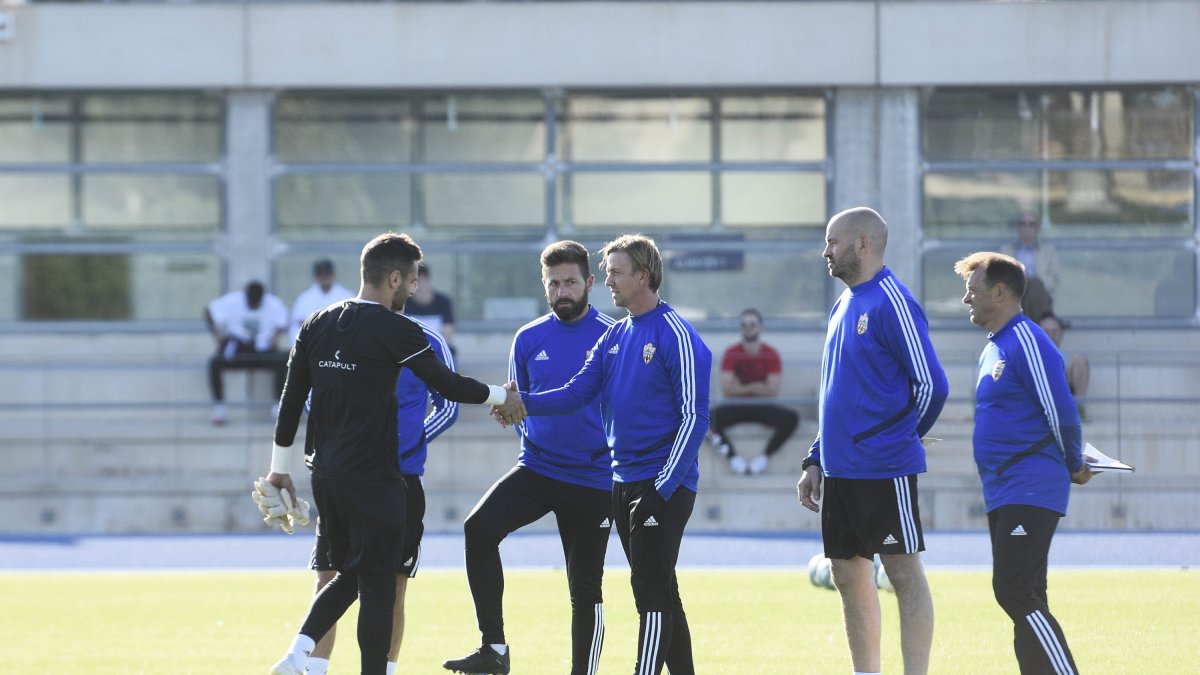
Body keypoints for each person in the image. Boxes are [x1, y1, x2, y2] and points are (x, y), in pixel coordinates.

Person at [261, 232, 526, 675]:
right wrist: (503, 395)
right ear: (395, 278)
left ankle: (296, 656)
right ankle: (324, 662)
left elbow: (290, 403)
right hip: (380, 477)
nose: (415, 289)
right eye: (412, 280)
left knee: (345, 573)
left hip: (325, 475)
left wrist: (277, 471)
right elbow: (448, 386)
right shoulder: (398, 330)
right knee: (379, 584)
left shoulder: (315, 323)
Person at [511, 233, 711, 675]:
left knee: (650, 591)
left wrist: (663, 487)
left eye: (616, 273)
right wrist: (523, 402)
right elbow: (576, 392)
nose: (608, 282)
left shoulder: (676, 333)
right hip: (622, 481)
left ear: (643, 275)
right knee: (664, 590)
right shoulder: (617, 335)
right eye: (607, 274)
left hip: (662, 484)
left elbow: (695, 417)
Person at [444, 241, 616, 675]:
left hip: (594, 478)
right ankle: (494, 650)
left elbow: (606, 404)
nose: (562, 291)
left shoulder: (613, 336)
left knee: (584, 588)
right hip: (537, 467)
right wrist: (512, 414)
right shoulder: (527, 337)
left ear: (589, 283)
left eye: (571, 282)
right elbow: (519, 401)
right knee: (478, 529)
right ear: (545, 286)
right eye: (554, 283)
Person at [796, 207, 948, 675]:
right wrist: (815, 458)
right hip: (840, 471)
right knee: (846, 574)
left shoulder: (892, 301)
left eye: (833, 242)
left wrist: (895, 442)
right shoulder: (843, 304)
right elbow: (836, 395)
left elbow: (931, 385)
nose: (826, 251)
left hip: (884, 470)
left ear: (862, 245)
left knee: (902, 573)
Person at [954, 251, 1092, 675]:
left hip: (1030, 484)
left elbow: (1061, 410)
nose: (966, 299)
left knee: (1012, 589)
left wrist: (1073, 460)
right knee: (1028, 594)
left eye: (972, 290)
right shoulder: (992, 348)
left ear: (999, 291)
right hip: (1003, 489)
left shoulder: (1028, 340)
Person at [306, 317, 459, 675]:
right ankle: (313, 670)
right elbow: (315, 399)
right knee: (328, 575)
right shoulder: (340, 329)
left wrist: (405, 446)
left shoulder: (428, 339)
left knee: (392, 585)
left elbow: (448, 406)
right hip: (347, 479)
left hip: (400, 480)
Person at [708, 308, 800, 475]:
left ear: (760, 327)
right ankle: (733, 459)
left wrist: (739, 386)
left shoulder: (771, 354)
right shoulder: (732, 353)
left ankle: (763, 458)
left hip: (761, 406)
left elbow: (773, 391)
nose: (748, 327)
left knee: (792, 418)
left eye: (752, 324)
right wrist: (756, 386)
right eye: (744, 324)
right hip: (737, 406)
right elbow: (727, 390)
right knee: (706, 420)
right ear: (740, 328)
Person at [204, 280, 290, 425]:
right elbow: (208, 310)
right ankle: (219, 408)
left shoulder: (273, 304)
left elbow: (283, 321)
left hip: (262, 350)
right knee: (215, 363)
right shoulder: (232, 300)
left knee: (284, 361)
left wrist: (276, 336)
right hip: (239, 350)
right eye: (251, 303)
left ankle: (278, 407)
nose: (254, 306)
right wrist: (216, 335)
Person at [1003, 211, 1061, 321]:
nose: (1027, 228)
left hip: (1040, 294)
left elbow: (1055, 277)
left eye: (1031, 224)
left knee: (1034, 285)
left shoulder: (1048, 251)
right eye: (1023, 224)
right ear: (1018, 227)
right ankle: (1039, 324)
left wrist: (1033, 283)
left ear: (1038, 228)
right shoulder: (1007, 250)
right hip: (1016, 292)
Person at [1037, 312, 1090, 421]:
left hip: (1064, 399)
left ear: (1061, 333)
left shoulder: (1066, 358)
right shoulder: (1028, 355)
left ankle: (1079, 409)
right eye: (1046, 331)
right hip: (1038, 403)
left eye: (1054, 331)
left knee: (1079, 360)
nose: (1050, 335)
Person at [289, 258, 353, 343]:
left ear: (333, 274)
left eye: (327, 273)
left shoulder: (347, 296)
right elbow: (297, 325)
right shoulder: (304, 299)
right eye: (320, 274)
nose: (324, 276)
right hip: (313, 345)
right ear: (315, 276)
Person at [405, 263, 456, 351]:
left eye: (421, 282)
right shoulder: (403, 303)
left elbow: (447, 334)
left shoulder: (443, 302)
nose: (418, 287)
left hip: (438, 351)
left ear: (428, 281)